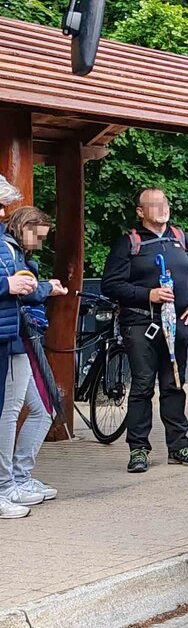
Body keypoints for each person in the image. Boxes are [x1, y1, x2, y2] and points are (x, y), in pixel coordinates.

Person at [101, 188, 188, 473]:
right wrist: (149, 295)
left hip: (178, 324)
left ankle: (178, 446)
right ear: (140, 212)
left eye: (164, 203)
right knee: (143, 385)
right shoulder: (129, 243)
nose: (161, 209)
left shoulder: (182, 239)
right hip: (141, 323)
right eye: (153, 205)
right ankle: (138, 449)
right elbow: (111, 285)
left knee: (174, 384)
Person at [0, 206, 65, 509]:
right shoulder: (9, 250)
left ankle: (18, 476)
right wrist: (44, 288)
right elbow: (22, 291)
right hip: (16, 340)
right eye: (37, 235)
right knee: (13, 411)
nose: (39, 242)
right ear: (25, 226)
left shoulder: (16, 251)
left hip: (20, 337)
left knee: (40, 407)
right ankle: (9, 482)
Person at [0, 174, 37, 519]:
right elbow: (17, 284)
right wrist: (9, 283)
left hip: (9, 336)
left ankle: (11, 482)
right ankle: (7, 483)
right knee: (8, 413)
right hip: (9, 340)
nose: (2, 211)